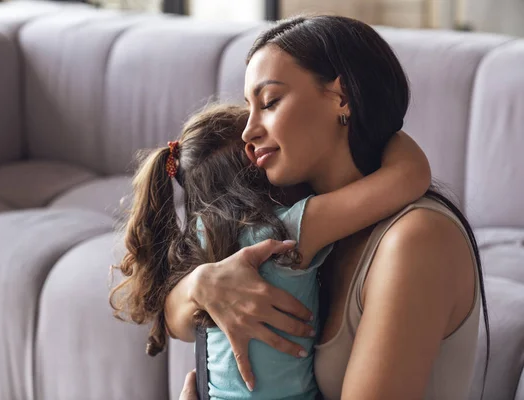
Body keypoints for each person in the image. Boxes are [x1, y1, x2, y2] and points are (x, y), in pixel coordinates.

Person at [167, 15, 488, 400]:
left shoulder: (416, 240)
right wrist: (204, 284)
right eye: (248, 108)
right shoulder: (300, 222)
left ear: (342, 98)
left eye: (269, 102)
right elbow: (176, 320)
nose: (248, 132)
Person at [109, 103, 430, 399]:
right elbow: (408, 176)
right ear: (259, 160)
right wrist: (381, 125)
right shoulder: (285, 233)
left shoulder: (200, 238)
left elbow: (176, 324)